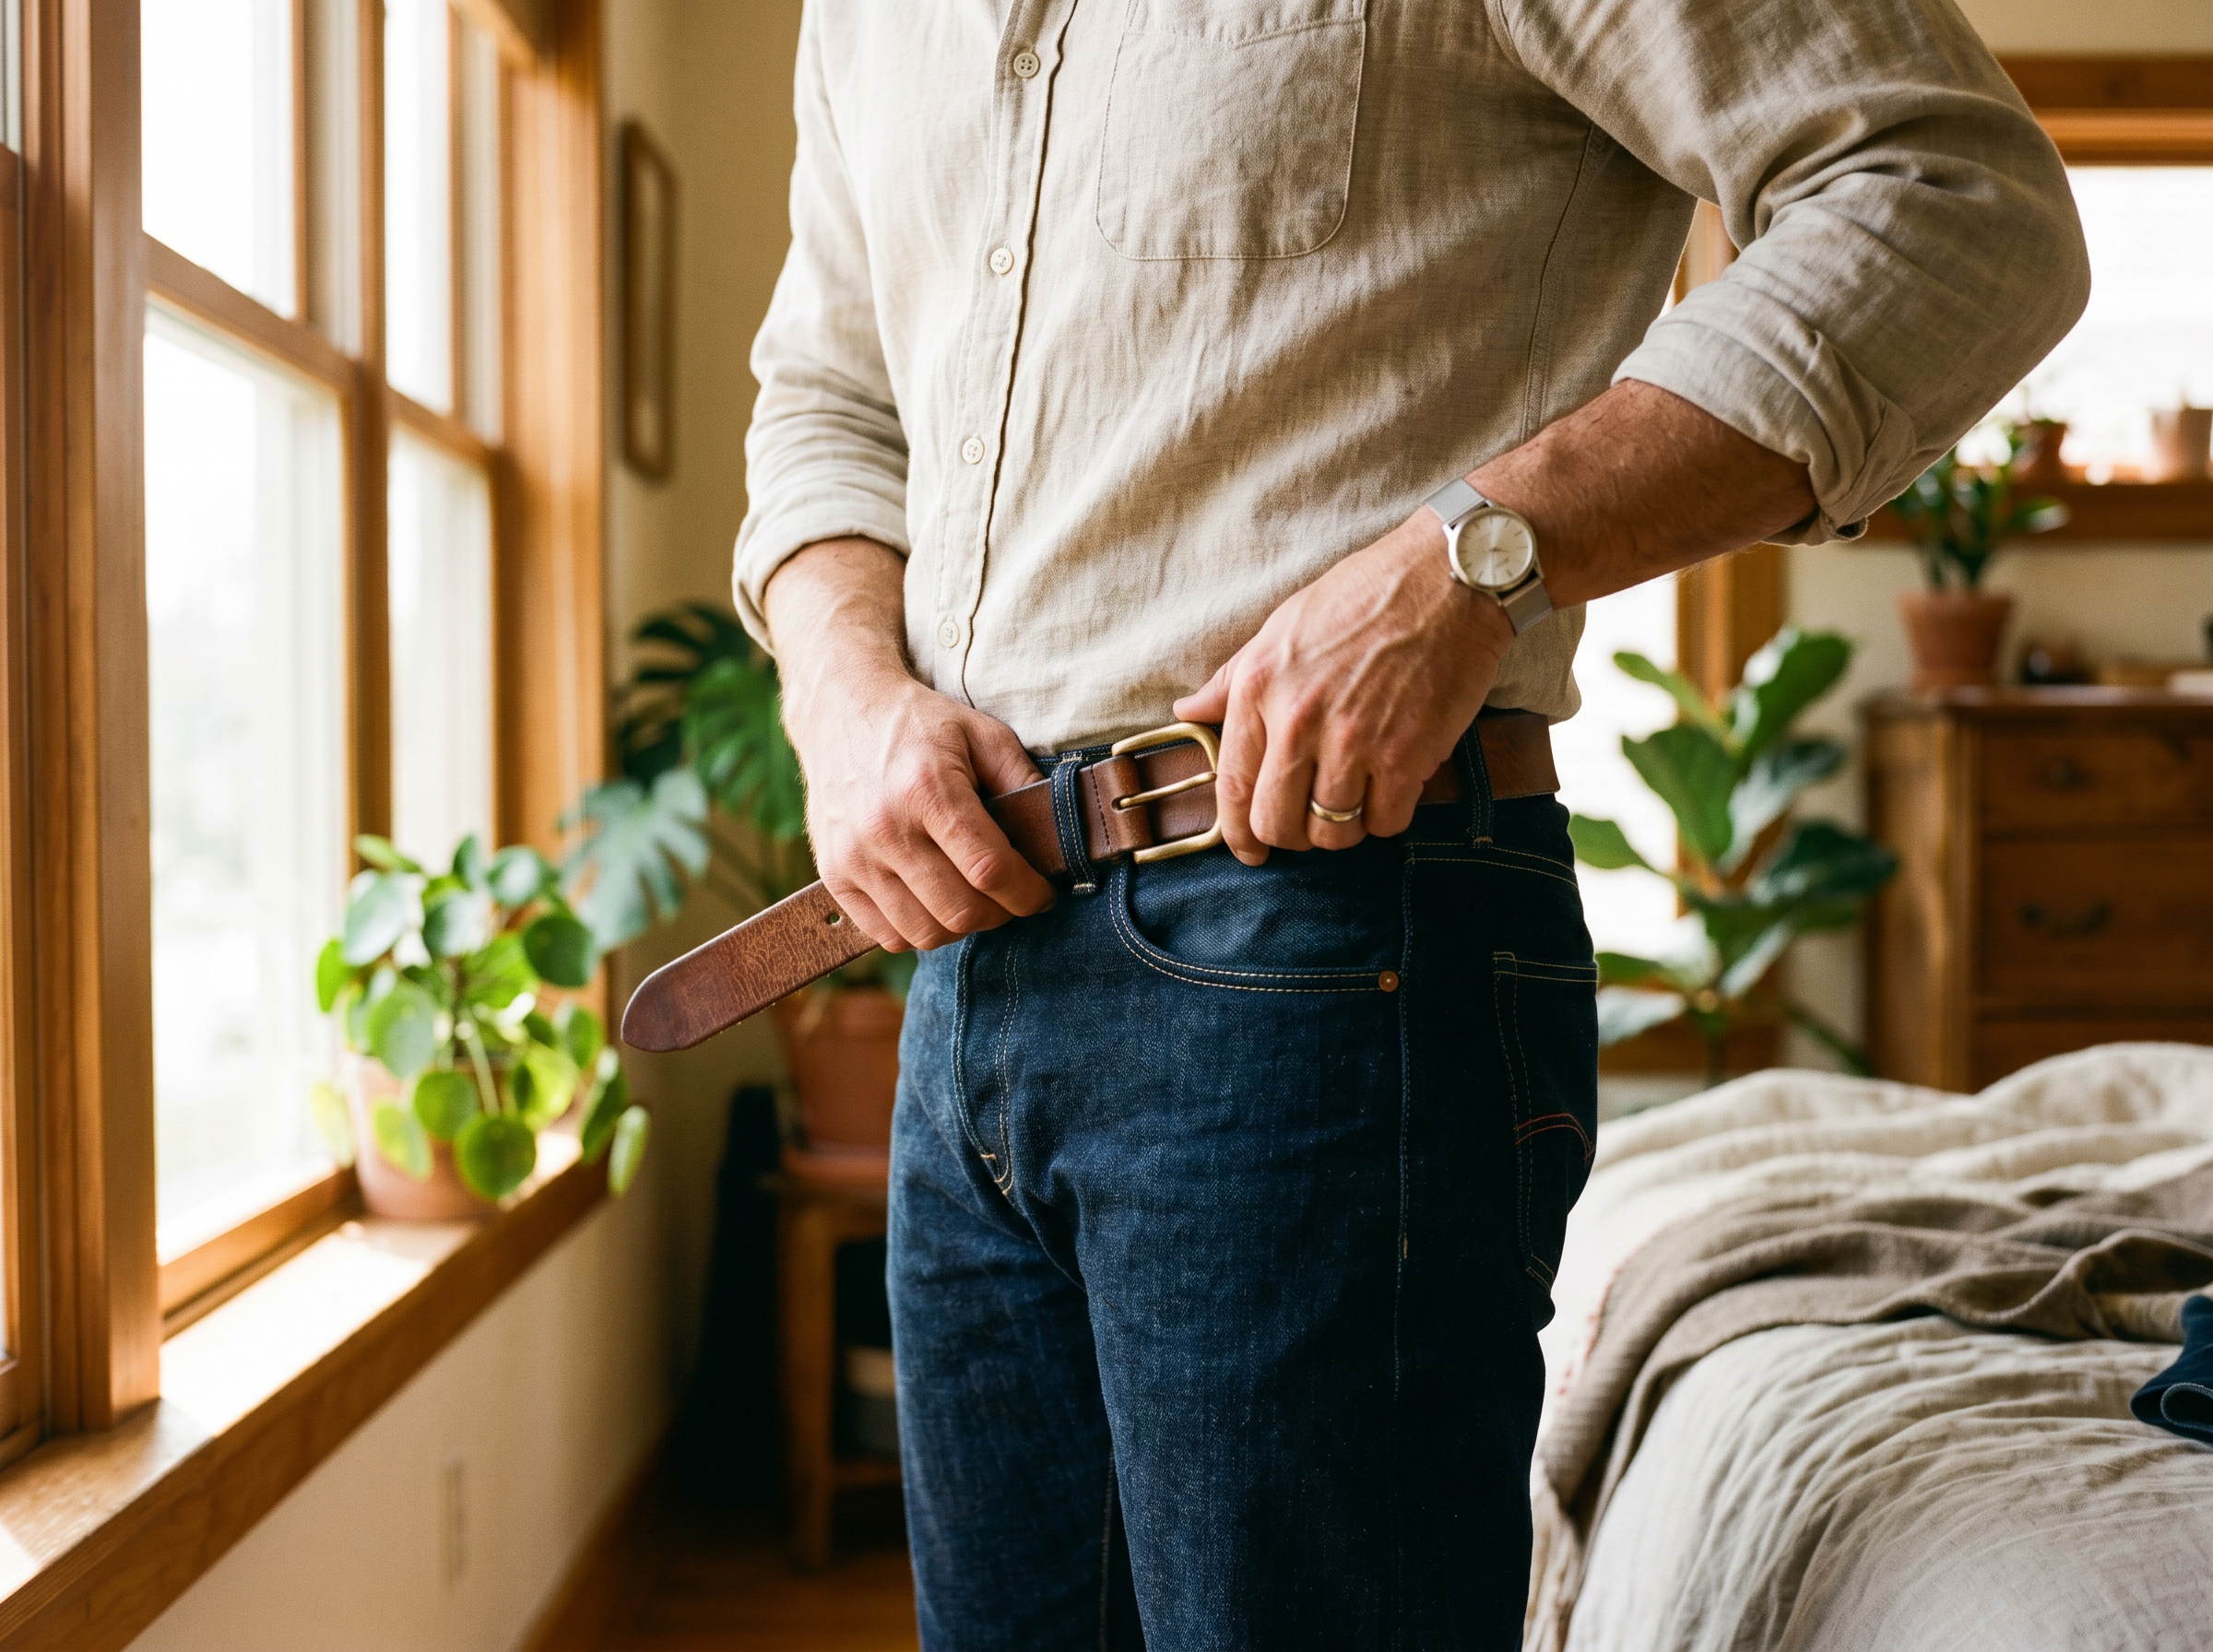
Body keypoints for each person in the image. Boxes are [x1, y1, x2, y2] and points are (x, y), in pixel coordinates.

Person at [733, 1, 2087, 1645]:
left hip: (1324, 936)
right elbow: (826, 394)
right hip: (967, 978)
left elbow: (1949, 194)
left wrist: (1471, 556)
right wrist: (847, 700)